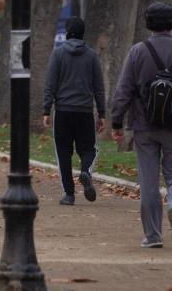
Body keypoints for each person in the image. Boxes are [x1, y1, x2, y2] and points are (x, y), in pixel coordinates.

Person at [111, 2, 172, 248]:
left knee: (149, 181)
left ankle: (153, 236)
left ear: (148, 24)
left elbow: (124, 89)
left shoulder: (137, 51)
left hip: (144, 127)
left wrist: (116, 122)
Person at [42, 17, 105, 206]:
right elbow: (98, 87)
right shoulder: (92, 56)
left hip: (62, 111)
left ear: (68, 32)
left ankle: (69, 194)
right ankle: (85, 171)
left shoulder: (58, 54)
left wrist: (46, 109)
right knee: (89, 149)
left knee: (63, 152)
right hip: (84, 111)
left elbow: (50, 83)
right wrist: (101, 113)